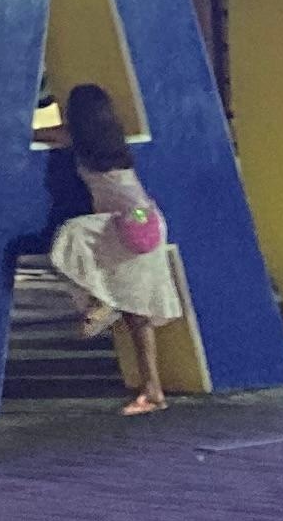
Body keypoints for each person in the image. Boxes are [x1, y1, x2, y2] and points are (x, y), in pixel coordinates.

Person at [45, 80, 183, 416]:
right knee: (139, 313)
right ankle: (153, 391)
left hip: (128, 223)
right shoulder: (112, 142)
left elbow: (43, 135)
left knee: (71, 237)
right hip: (145, 219)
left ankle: (102, 302)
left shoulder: (81, 144)